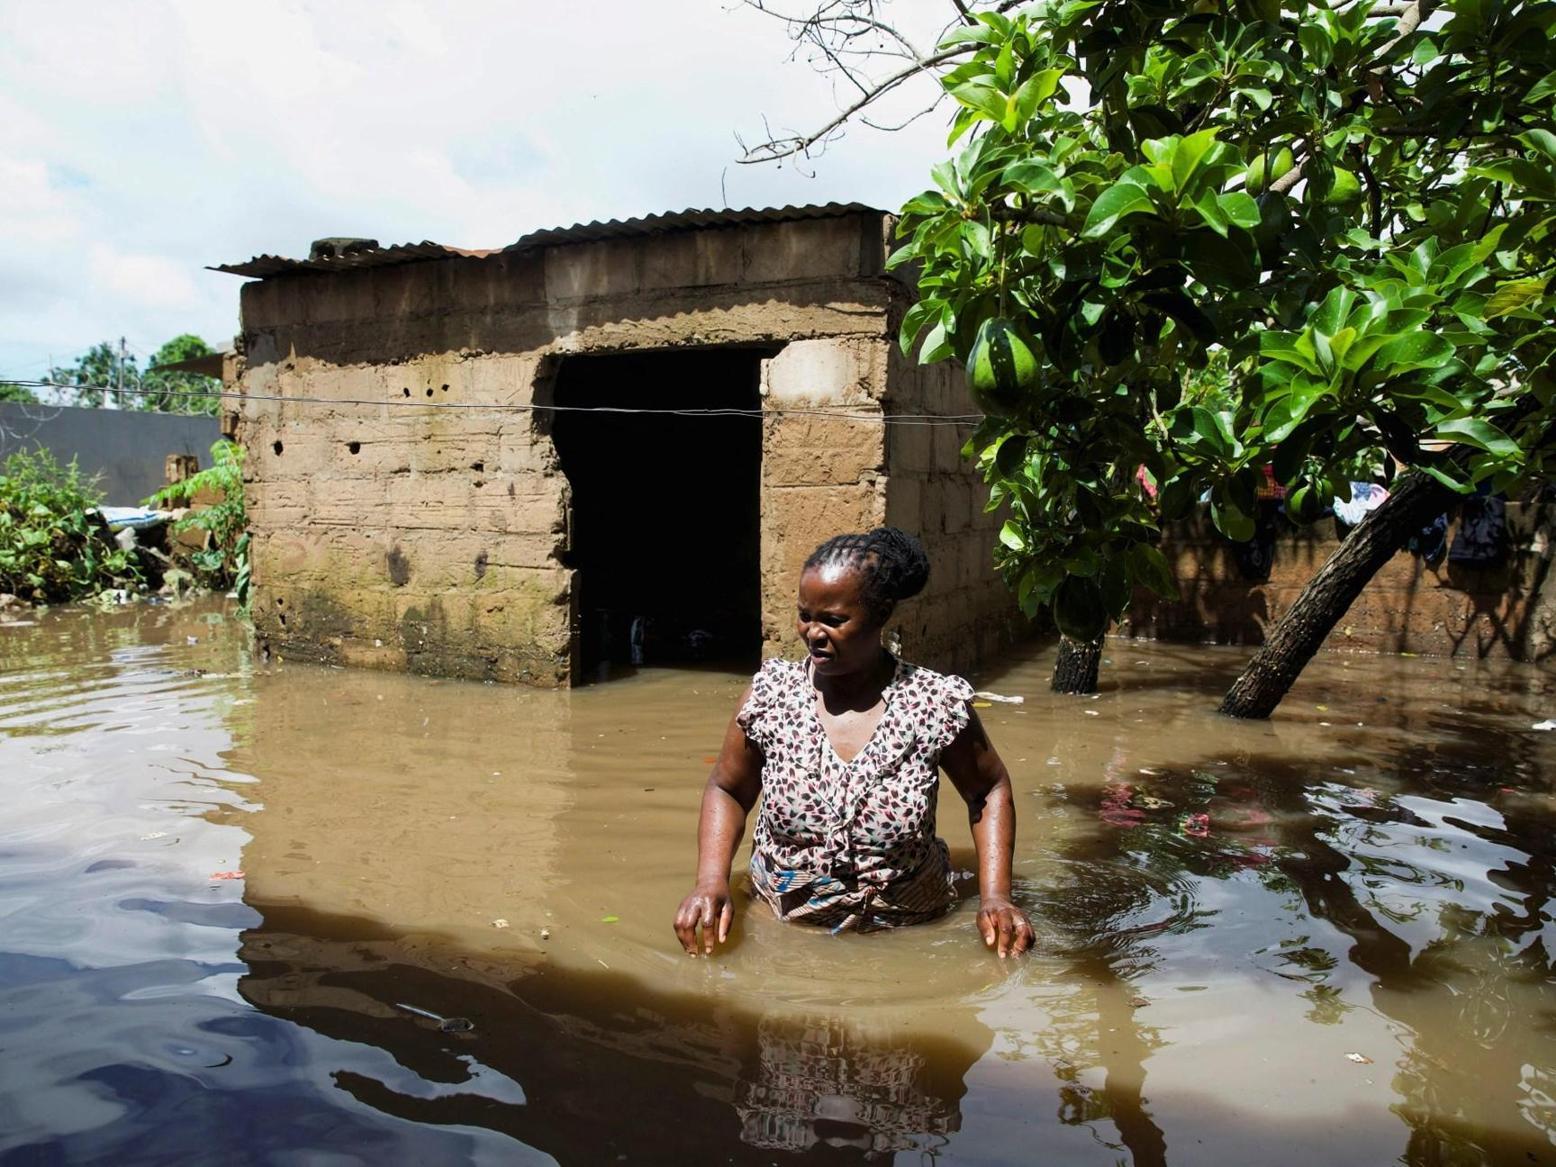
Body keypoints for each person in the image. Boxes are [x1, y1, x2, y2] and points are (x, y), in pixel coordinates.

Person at [673, 527, 1035, 958]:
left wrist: (996, 895)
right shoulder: (771, 696)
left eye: (834, 620)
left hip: (910, 936)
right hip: (784, 931)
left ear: (881, 614)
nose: (813, 633)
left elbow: (987, 789)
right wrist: (711, 882)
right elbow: (728, 788)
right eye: (805, 615)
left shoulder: (933, 703)